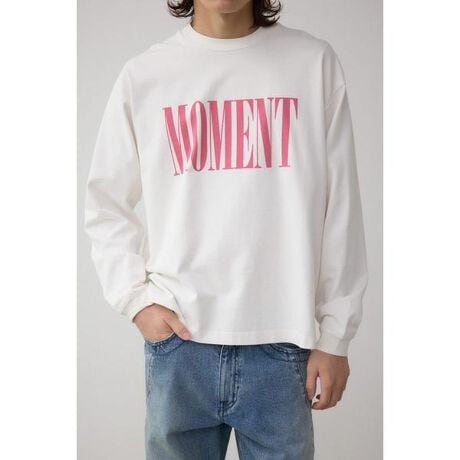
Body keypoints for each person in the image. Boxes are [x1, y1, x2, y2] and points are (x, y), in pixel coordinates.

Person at [84, 0, 368, 458]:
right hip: (180, 344)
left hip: (283, 341)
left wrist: (336, 336)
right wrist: (136, 301)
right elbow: (105, 202)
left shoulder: (312, 64)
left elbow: (341, 208)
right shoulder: (145, 76)